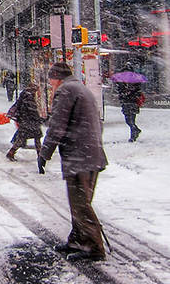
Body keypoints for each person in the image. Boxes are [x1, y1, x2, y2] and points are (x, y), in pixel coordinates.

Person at [38, 62, 108, 262]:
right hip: (91, 154)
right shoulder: (80, 88)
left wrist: (44, 153)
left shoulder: (66, 90)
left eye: (50, 80)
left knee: (80, 204)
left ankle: (94, 248)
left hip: (80, 157)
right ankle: (77, 240)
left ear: (56, 77)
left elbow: (57, 125)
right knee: (80, 202)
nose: (50, 84)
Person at [6, 83, 43, 162]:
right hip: (30, 121)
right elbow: (33, 110)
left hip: (24, 121)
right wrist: (39, 119)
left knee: (22, 138)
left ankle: (11, 152)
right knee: (37, 138)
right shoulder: (29, 97)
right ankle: (40, 155)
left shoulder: (24, 95)